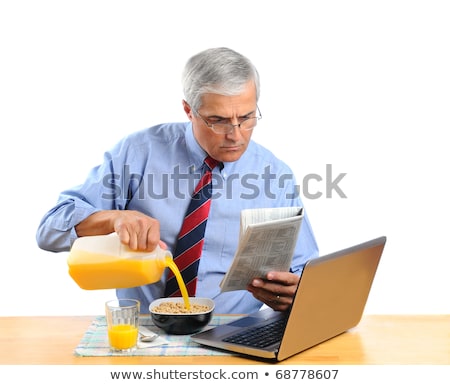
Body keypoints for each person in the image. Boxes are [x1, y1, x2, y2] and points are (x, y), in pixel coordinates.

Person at [36, 47, 319, 314]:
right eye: (218, 120)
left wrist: (297, 293)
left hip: (233, 331)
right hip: (145, 330)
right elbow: (50, 228)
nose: (236, 134)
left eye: (246, 117)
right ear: (188, 110)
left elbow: (305, 271)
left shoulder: (275, 174)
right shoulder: (138, 153)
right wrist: (113, 219)